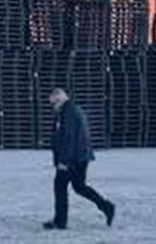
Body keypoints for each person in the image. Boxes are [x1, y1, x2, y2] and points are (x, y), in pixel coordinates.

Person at [43, 88, 116, 230]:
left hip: (72, 158)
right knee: (79, 186)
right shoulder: (69, 110)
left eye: (53, 102)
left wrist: (64, 161)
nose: (52, 106)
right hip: (80, 156)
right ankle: (106, 206)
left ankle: (60, 221)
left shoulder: (68, 112)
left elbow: (69, 138)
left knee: (60, 186)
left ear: (58, 98)